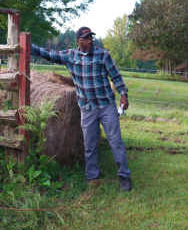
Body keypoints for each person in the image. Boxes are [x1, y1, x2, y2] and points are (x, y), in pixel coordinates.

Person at [31, 26, 131, 191]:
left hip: (106, 106)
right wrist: (29, 46)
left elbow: (115, 75)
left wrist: (123, 94)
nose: (90, 41)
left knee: (116, 141)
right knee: (89, 144)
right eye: (85, 39)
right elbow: (48, 54)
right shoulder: (71, 56)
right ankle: (92, 176)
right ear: (78, 42)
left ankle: (124, 177)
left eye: (91, 38)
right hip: (87, 109)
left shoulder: (102, 55)